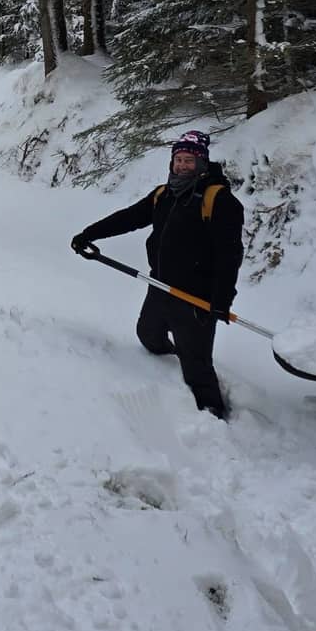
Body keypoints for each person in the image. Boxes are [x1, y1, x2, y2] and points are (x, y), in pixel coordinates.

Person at [71, 130, 244, 420]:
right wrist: (89, 234)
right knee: (148, 335)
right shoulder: (164, 194)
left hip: (195, 297)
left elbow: (230, 255)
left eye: (189, 160)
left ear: (202, 163)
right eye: (178, 159)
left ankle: (214, 417)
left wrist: (221, 300)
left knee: (197, 367)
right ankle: (166, 366)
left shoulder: (220, 201)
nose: (182, 165)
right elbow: (130, 217)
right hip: (160, 285)